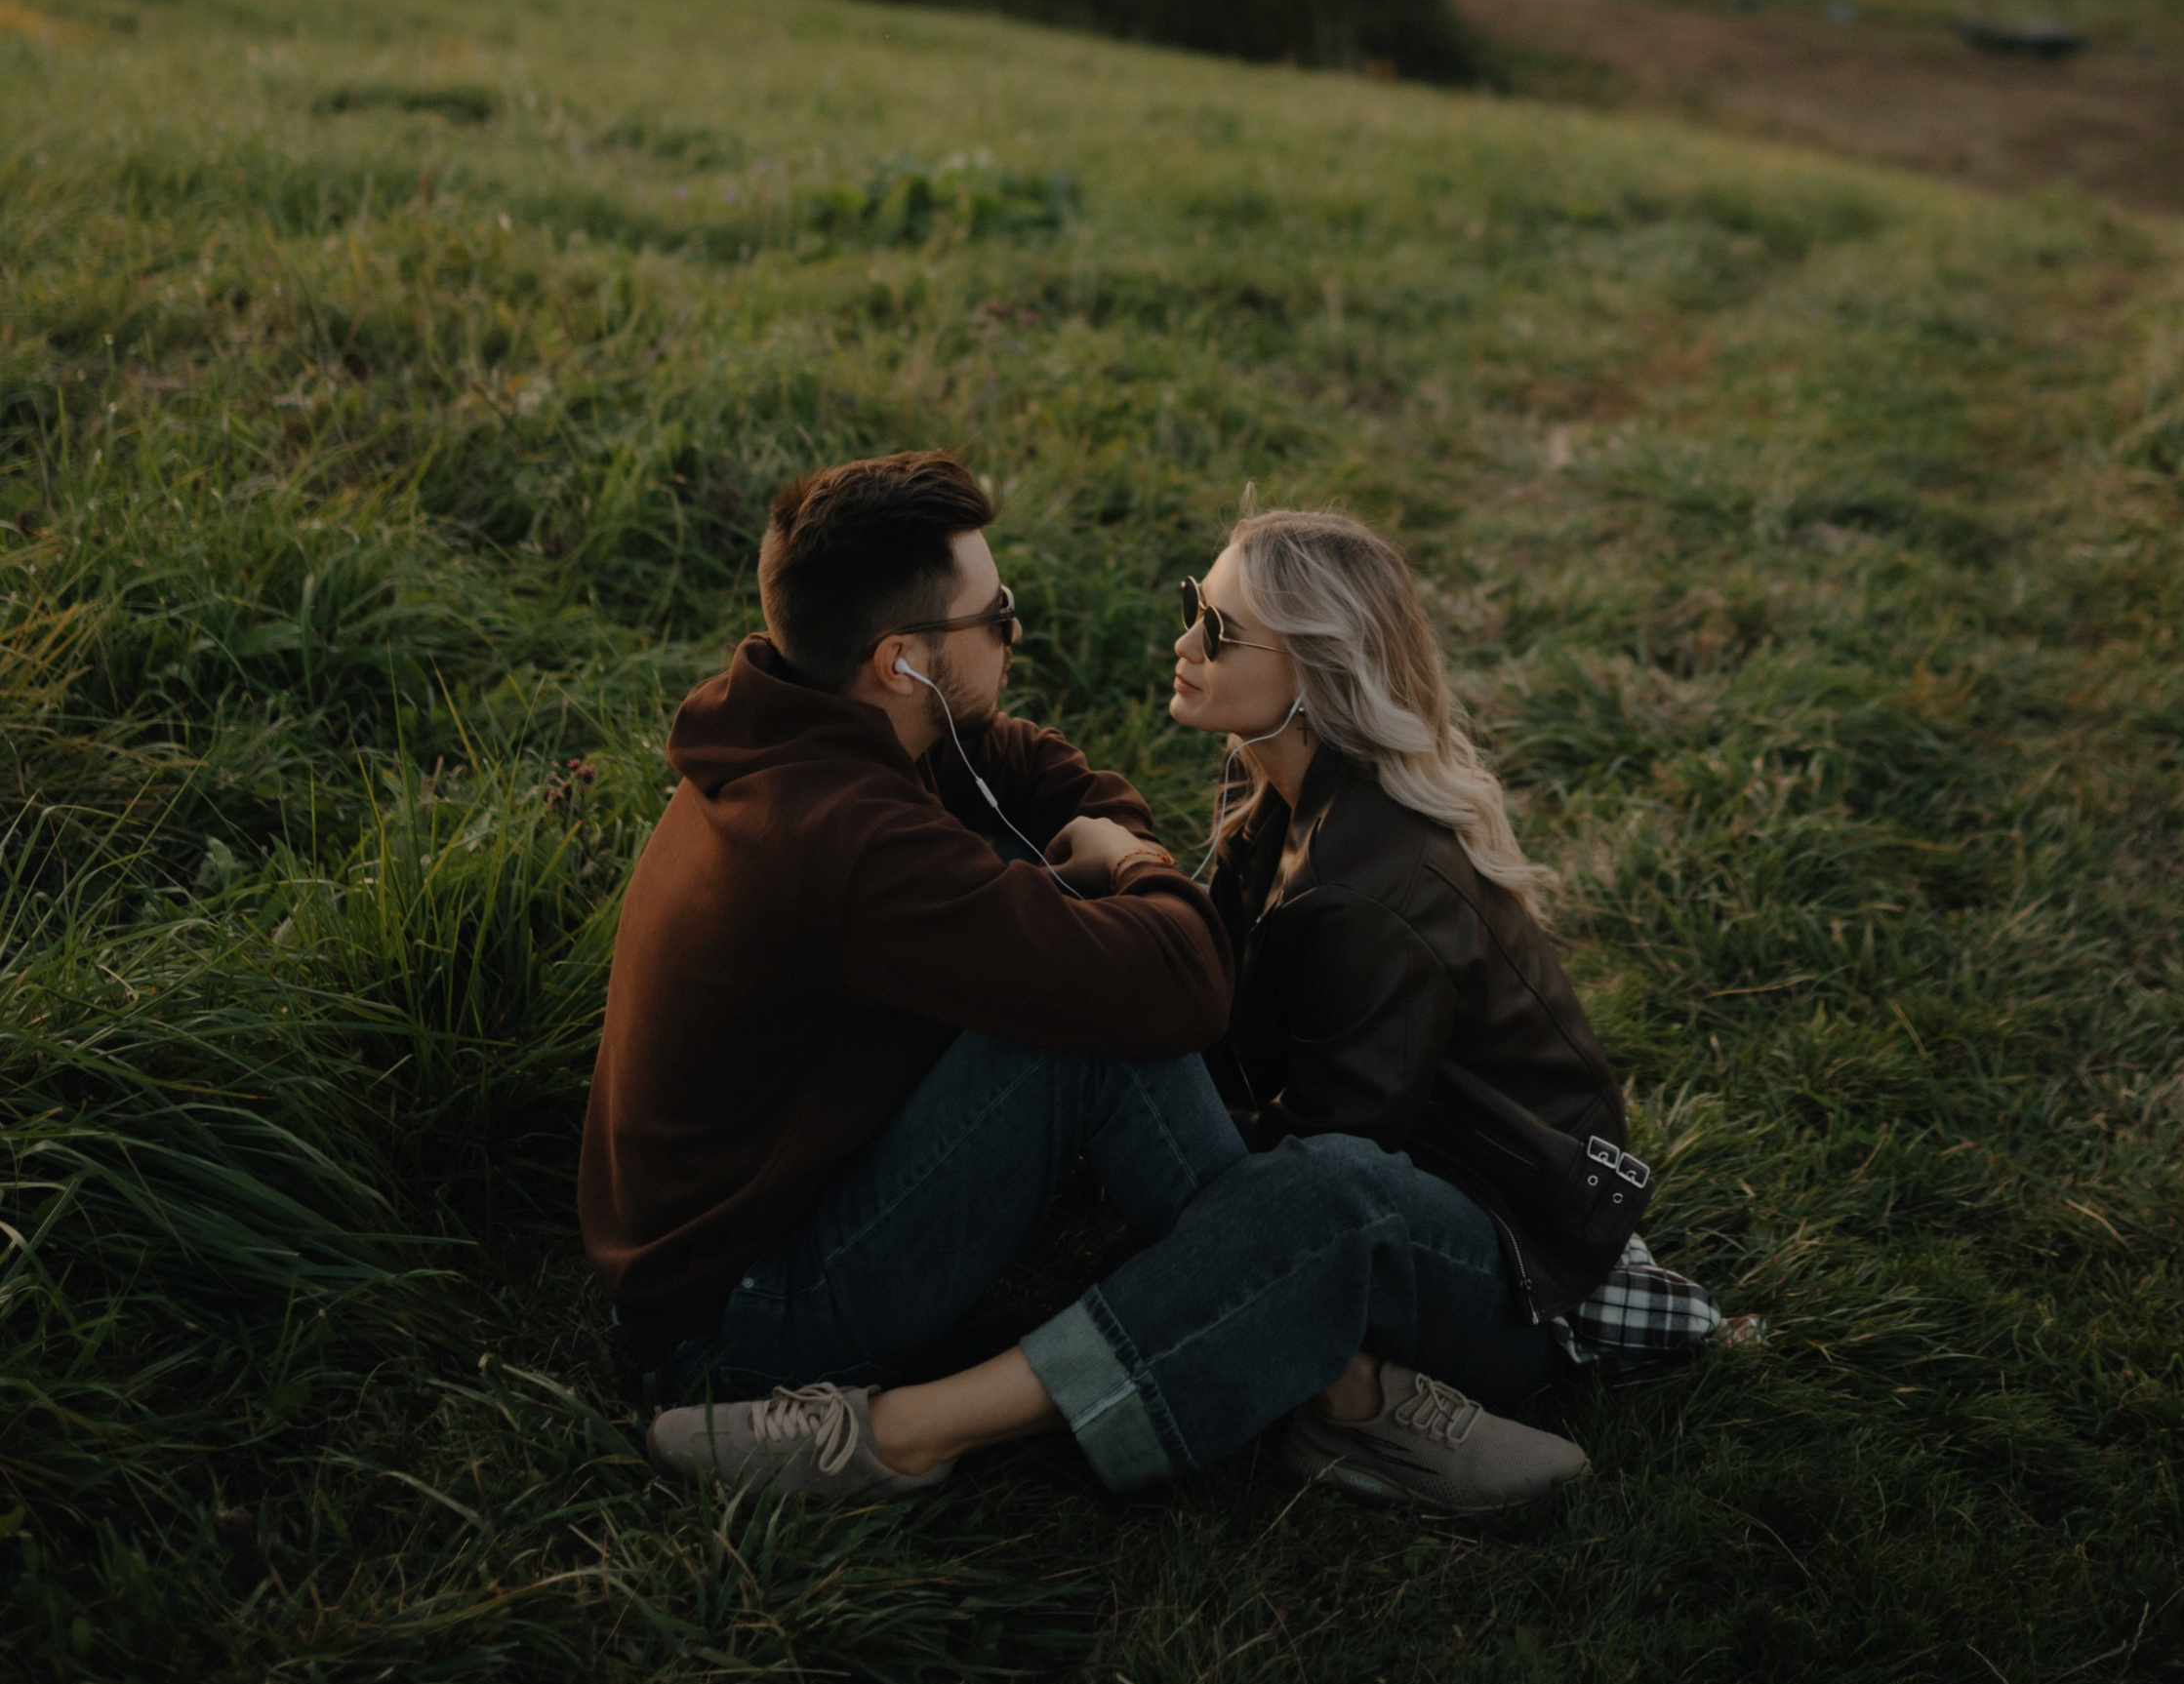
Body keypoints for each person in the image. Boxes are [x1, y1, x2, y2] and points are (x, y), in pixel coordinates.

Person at [590, 449, 1583, 1516]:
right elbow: (1180, 982)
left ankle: (1302, 1341)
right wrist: (1132, 864)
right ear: (901, 662)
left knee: (1095, 990)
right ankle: (1332, 1372)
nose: (1015, 630)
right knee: (1103, 1031)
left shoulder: (811, 724)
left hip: (720, 1246)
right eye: (994, 615)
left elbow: (1035, 764)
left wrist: (1103, 856)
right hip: (749, 1325)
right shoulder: (848, 842)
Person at [1171, 509, 1725, 1497]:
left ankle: (1357, 1403)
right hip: (1442, 1190)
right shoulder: (1277, 787)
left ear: (1315, 671)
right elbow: (1218, 1011)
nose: (1183, 643)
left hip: (1502, 1285)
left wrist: (1154, 1130)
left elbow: (1320, 1172)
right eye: (1192, 606)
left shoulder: (1364, 887)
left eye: (1216, 629)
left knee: (1170, 1127)